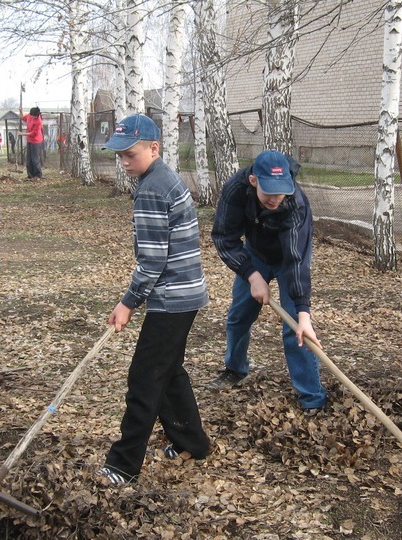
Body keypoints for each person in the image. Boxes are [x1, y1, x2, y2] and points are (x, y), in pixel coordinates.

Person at [97, 114, 210, 485]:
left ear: (154, 148)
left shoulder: (151, 189)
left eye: (130, 155)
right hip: (186, 294)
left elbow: (152, 261)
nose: (124, 162)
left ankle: (123, 464)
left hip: (171, 298)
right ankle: (191, 441)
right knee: (169, 372)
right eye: (120, 156)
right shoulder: (163, 179)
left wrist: (128, 302)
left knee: (145, 378)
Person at [208, 149, 328, 414]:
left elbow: (297, 260)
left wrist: (304, 314)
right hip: (255, 254)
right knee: (239, 316)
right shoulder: (236, 190)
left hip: (288, 259)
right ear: (253, 181)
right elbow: (224, 238)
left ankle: (312, 397)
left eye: (281, 191)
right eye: (269, 192)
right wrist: (252, 275)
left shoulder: (296, 202)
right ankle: (235, 369)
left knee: (295, 328)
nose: (275, 199)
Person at [22, 106, 44, 181]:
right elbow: (23, 118)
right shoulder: (29, 116)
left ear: (36, 115)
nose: (32, 116)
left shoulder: (38, 122)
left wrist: (21, 134)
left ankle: (38, 175)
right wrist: (20, 111)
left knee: (35, 159)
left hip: (36, 141)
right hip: (29, 140)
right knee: (29, 159)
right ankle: (30, 175)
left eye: (33, 116)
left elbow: (33, 133)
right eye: (31, 115)